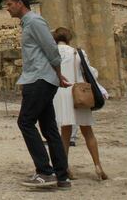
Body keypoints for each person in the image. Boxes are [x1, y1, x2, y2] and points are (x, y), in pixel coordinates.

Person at [5, 0, 71, 190]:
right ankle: (62, 176)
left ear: (20, 3)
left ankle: (44, 171)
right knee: (49, 128)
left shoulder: (34, 21)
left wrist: (58, 73)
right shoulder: (27, 24)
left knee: (25, 122)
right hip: (40, 77)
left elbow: (51, 48)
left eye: (9, 4)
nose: (7, 8)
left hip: (39, 79)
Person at [51, 27, 108, 181]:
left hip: (62, 93)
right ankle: (98, 166)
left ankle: (65, 167)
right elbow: (90, 72)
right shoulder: (78, 52)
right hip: (79, 94)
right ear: (69, 38)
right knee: (88, 131)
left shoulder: (53, 52)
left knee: (65, 132)